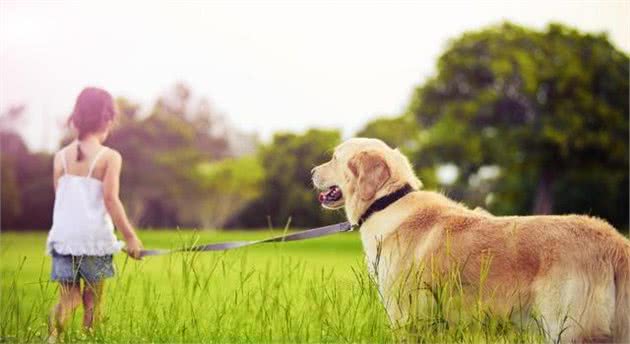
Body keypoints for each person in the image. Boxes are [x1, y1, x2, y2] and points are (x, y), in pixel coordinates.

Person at [46, 87, 143, 339]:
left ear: (76, 119)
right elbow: (111, 200)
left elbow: (62, 200)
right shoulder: (109, 157)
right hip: (94, 241)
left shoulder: (60, 158)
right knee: (92, 303)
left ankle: (53, 336)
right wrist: (130, 237)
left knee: (68, 299)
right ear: (108, 120)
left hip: (64, 240)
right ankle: (88, 338)